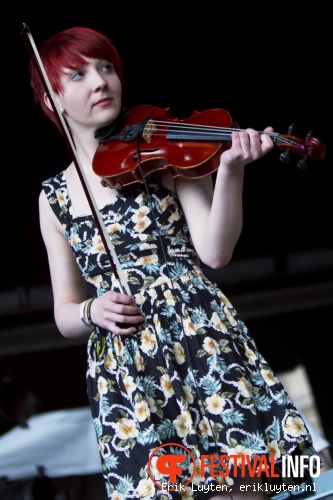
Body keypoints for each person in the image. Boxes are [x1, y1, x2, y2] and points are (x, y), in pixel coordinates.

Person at [28, 26, 322, 500]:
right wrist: (91, 311)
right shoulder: (53, 198)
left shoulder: (161, 150)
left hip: (199, 335)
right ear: (53, 99)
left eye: (106, 67)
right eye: (78, 74)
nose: (100, 81)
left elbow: (215, 251)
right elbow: (64, 311)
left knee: (246, 483)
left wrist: (229, 171)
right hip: (128, 368)